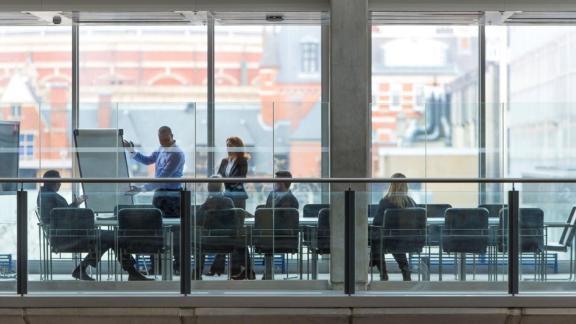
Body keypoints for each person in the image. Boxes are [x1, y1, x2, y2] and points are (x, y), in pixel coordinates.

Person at [37, 170, 150, 281]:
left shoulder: (45, 195)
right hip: (66, 237)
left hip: (65, 234)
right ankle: (131, 271)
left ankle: (82, 269)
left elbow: (61, 215)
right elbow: (60, 217)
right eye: (59, 181)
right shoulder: (49, 196)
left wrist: (76, 206)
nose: (60, 184)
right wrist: (80, 212)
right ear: (53, 182)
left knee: (109, 237)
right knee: (111, 237)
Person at [123, 126, 185, 273]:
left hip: (173, 196)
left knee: (174, 232)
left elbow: (163, 177)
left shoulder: (177, 154)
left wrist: (141, 189)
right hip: (161, 194)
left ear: (172, 135)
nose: (163, 142)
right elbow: (147, 160)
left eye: (165, 139)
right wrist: (131, 151)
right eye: (160, 139)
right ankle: (156, 266)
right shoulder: (161, 148)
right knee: (154, 229)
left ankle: (177, 266)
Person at [370, 172, 414, 281]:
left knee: (376, 241)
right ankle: (405, 270)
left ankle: (383, 274)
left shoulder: (385, 202)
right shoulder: (411, 202)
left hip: (391, 240)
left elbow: (377, 223)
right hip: (410, 240)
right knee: (394, 242)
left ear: (391, 185)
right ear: (405, 186)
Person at [194, 176, 235, 278]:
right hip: (226, 243)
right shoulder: (228, 202)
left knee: (199, 242)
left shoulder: (205, 206)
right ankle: (219, 269)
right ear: (222, 188)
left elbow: (196, 222)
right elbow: (234, 221)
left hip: (206, 243)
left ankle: (198, 273)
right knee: (229, 237)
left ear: (208, 188)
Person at [217, 137, 249, 209]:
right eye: (227, 145)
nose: (228, 147)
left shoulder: (242, 161)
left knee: (238, 217)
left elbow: (241, 178)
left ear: (238, 146)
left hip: (238, 195)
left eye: (231, 145)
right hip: (226, 195)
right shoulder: (224, 161)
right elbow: (218, 176)